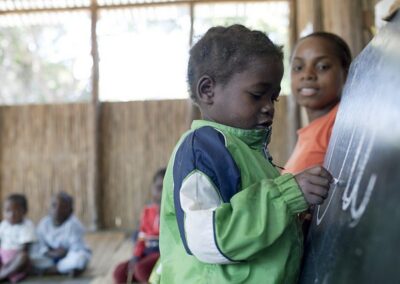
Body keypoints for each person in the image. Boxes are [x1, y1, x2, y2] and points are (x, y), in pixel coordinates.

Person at [156, 24, 333, 284]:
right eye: (257, 95)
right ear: (208, 91)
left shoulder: (248, 151)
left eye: (273, 98)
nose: (268, 108)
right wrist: (287, 197)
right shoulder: (203, 149)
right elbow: (208, 238)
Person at [283, 32, 352, 174]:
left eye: (322, 66)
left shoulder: (342, 126)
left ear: (346, 73)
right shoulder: (313, 130)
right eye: (298, 67)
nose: (307, 74)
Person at [113, 168, 166, 284]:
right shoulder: (147, 212)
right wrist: (135, 257)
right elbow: (141, 238)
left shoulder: (173, 214)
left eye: (165, 188)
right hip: (146, 254)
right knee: (120, 272)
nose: (162, 193)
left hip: (162, 255)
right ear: (152, 190)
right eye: (158, 188)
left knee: (141, 269)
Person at [30, 192, 91, 276]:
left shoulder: (73, 225)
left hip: (68, 255)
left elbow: (76, 248)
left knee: (80, 258)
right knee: (30, 258)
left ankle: (51, 270)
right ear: (49, 208)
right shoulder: (44, 223)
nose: (57, 209)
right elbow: (39, 245)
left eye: (63, 207)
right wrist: (50, 253)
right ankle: (64, 270)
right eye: (54, 205)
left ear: (70, 211)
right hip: (50, 257)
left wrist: (64, 253)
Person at [0, 194, 36, 283]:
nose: (11, 214)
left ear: (24, 211)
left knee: (23, 257)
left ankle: (4, 274)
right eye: (7, 211)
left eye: (16, 211)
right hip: (3, 257)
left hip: (16, 260)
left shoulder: (27, 226)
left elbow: (24, 249)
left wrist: (8, 264)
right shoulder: (3, 225)